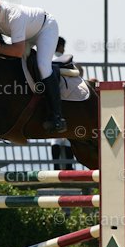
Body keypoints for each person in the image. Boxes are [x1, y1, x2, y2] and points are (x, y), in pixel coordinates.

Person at [0, 0, 66, 133]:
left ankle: (57, 117)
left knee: (42, 65)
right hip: (23, 35)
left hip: (44, 29)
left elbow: (17, 51)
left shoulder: (14, 15)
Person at [50, 37, 74, 169]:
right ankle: (69, 167)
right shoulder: (65, 59)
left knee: (55, 137)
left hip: (51, 99)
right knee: (68, 136)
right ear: (60, 47)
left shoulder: (47, 58)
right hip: (67, 99)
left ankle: (56, 168)